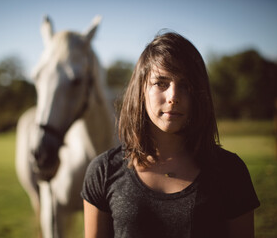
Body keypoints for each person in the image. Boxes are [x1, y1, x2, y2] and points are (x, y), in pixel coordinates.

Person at [81, 31, 260, 238]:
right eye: (161, 83)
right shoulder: (103, 172)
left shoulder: (230, 172)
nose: (173, 96)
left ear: (199, 94)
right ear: (141, 90)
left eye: (185, 85)